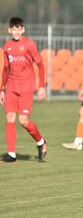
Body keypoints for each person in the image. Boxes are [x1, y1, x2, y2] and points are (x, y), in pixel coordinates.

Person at [0, 17, 48, 163]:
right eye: (13, 29)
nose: (16, 32)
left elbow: (40, 65)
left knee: (23, 120)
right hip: (11, 89)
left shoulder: (29, 44)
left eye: (19, 29)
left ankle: (40, 141)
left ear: (23, 30)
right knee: (10, 118)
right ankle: (12, 154)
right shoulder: (7, 47)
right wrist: (2, 89)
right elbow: (6, 69)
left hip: (26, 88)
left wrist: (41, 87)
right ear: (9, 30)